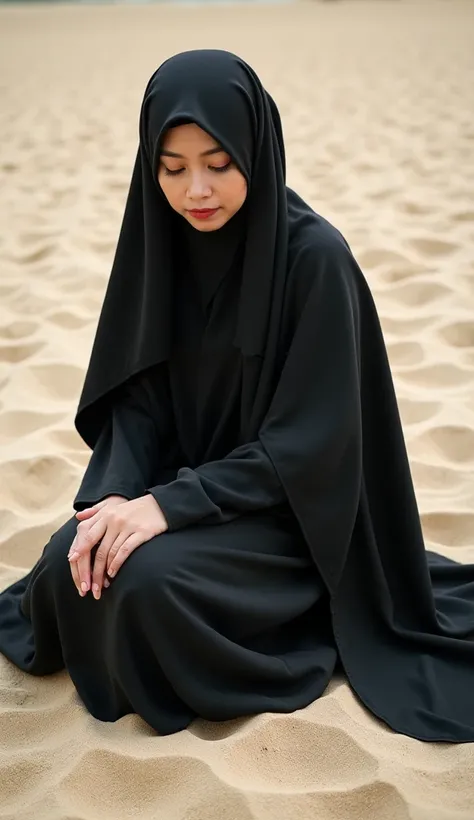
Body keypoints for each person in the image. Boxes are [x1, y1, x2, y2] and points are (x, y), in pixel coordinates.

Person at [0, 49, 473, 742]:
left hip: (293, 522)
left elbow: (307, 449)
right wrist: (114, 495)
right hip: (184, 499)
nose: (196, 190)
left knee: (147, 589)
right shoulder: (162, 243)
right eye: (172, 167)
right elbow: (137, 399)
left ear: (256, 146)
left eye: (219, 164)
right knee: (66, 570)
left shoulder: (316, 260)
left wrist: (167, 506)